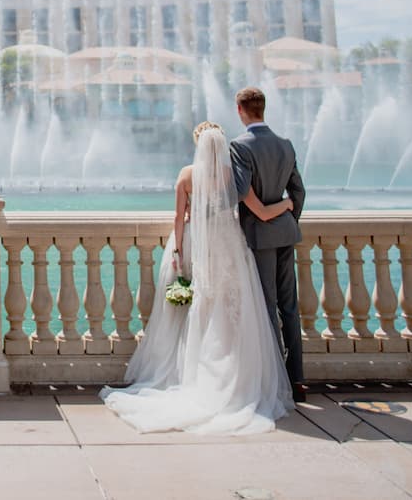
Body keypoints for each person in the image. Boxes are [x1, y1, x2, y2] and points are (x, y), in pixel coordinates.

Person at [101, 121, 293, 434]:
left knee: (198, 310)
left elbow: (179, 217)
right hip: (231, 248)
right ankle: (235, 376)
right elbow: (260, 212)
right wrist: (286, 203)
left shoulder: (187, 175)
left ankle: (197, 373)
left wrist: (177, 251)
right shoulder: (235, 176)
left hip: (198, 246)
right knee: (233, 314)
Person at [227, 86, 307, 401]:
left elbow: (239, 190)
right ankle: (298, 379)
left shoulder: (240, 146)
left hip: (259, 236)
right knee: (289, 305)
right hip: (286, 232)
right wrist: (288, 219)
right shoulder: (286, 144)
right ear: (263, 109)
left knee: (265, 305)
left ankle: (276, 384)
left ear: (240, 110)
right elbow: (298, 192)